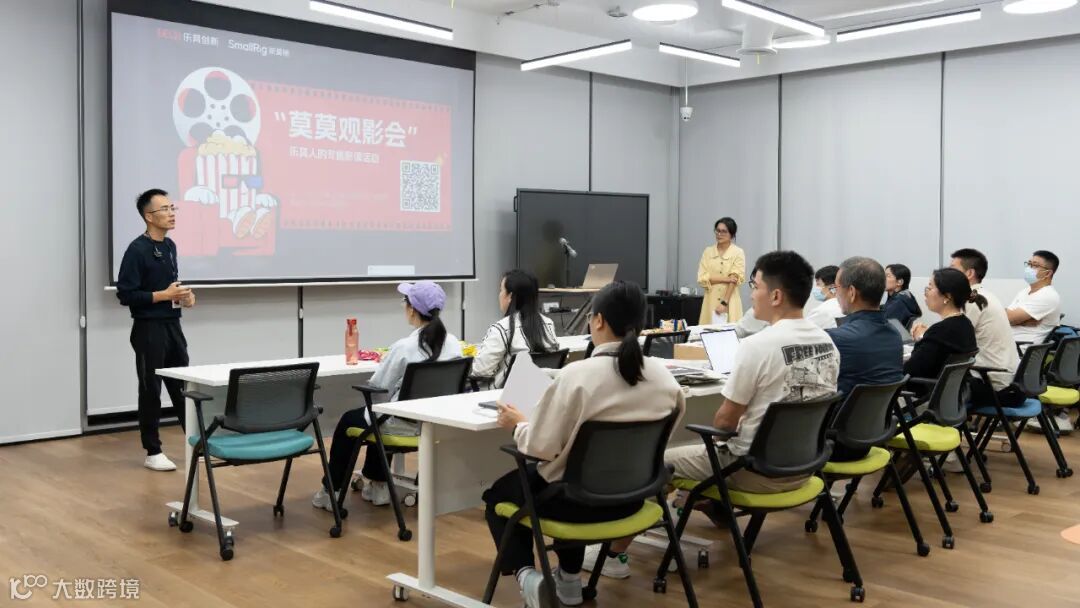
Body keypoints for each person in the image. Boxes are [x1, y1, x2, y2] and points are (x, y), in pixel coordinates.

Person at [484, 281, 684, 607]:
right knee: (570, 475)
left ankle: (529, 577)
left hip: (575, 503)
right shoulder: (665, 379)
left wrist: (518, 424)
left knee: (499, 495)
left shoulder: (576, 377)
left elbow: (539, 449)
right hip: (633, 499)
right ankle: (569, 582)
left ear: (599, 320)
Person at [668, 251, 840, 493]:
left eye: (755, 287)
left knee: (659, 462)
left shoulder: (757, 346)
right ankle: (710, 504)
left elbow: (724, 424)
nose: (751, 295)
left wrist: (725, 435)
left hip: (752, 470)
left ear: (776, 296)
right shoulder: (828, 343)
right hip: (805, 466)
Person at [313, 281, 463, 510]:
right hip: (434, 423)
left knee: (352, 420)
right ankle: (379, 485)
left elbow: (379, 386)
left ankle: (331, 491)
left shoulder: (404, 347)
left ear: (412, 309)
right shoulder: (453, 344)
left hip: (403, 424)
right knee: (378, 414)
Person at [116, 189, 195, 472]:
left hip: (173, 325)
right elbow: (126, 294)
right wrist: (163, 295)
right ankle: (153, 451)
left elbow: (170, 287)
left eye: (173, 208)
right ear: (149, 216)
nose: (171, 213)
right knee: (151, 388)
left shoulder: (170, 246)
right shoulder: (137, 250)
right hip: (148, 329)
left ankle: (196, 442)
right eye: (165, 209)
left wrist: (184, 297)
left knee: (182, 385)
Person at [826, 257, 904, 461]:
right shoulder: (894, 335)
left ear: (851, 292)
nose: (835, 294)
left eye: (836, 288)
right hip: (870, 438)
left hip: (833, 443)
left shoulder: (837, 339)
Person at [950, 249, 1022, 407]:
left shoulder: (972, 301)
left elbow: (953, 341)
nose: (947, 273)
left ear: (969, 273)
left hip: (993, 385)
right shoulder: (985, 296)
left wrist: (923, 337)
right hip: (1009, 380)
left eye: (952, 268)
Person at [472, 270, 559, 388]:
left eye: (501, 290)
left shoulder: (501, 329)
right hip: (540, 393)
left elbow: (480, 371)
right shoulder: (548, 324)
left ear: (510, 296)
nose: (499, 295)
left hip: (504, 396)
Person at [906, 268, 981, 382]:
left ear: (947, 297)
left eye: (930, 288)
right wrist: (926, 336)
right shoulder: (965, 324)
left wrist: (922, 337)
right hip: (947, 390)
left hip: (924, 389)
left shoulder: (941, 330)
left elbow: (911, 369)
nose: (926, 293)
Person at [697, 217, 746, 325]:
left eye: (724, 231)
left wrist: (724, 302)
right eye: (718, 231)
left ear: (732, 234)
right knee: (707, 331)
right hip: (710, 300)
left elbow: (735, 279)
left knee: (730, 331)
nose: (719, 234)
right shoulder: (708, 252)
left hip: (730, 300)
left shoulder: (738, 252)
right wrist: (727, 279)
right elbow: (702, 278)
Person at [1007, 250, 1062, 347]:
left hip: (1019, 349)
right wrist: (1023, 321)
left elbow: (1009, 318)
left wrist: (1014, 319)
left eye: (1035, 265)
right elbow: (1006, 316)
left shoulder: (1047, 295)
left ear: (1048, 273)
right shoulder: (1025, 291)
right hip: (1007, 345)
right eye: (1029, 264)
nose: (1029, 268)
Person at [884, 263, 922, 329]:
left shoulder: (898, 303)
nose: (882, 279)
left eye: (887, 276)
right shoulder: (906, 296)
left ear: (899, 282)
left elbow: (883, 326)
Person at [807, 265, 843, 329]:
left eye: (818, 284)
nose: (815, 288)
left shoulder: (821, 311)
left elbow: (802, 331)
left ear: (832, 287)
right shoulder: (848, 307)